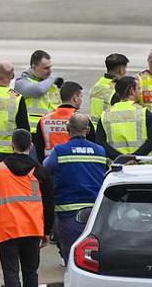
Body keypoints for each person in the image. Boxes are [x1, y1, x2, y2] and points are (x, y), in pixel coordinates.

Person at [43, 114, 110, 266]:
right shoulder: (100, 151)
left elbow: (45, 169)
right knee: (92, 259)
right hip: (95, 212)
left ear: (68, 129)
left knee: (72, 258)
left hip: (68, 212)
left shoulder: (60, 151)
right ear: (87, 130)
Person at [0, 128, 52, 287]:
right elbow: (49, 203)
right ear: (31, 146)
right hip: (32, 228)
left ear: (12, 145)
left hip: (6, 229)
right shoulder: (40, 171)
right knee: (31, 273)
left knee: (10, 274)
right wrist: (47, 231)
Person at [103, 75, 152, 158]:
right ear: (132, 91)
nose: (140, 92)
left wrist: (120, 158)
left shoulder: (105, 115)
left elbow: (100, 142)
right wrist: (134, 158)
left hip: (116, 165)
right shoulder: (144, 113)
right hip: (142, 165)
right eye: (138, 88)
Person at [14, 50, 61, 134]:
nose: (50, 71)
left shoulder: (51, 85)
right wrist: (53, 79)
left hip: (50, 134)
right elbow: (39, 90)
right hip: (32, 133)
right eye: (46, 68)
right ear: (34, 67)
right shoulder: (21, 83)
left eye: (50, 67)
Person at [36, 81, 85, 159]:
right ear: (75, 98)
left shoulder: (44, 120)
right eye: (80, 97)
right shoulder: (82, 120)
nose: (81, 100)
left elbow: (38, 148)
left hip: (50, 165)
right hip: (74, 163)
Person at [87, 53, 128, 124]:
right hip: (107, 130)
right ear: (121, 70)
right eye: (125, 68)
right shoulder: (116, 90)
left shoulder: (97, 85)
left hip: (94, 129)